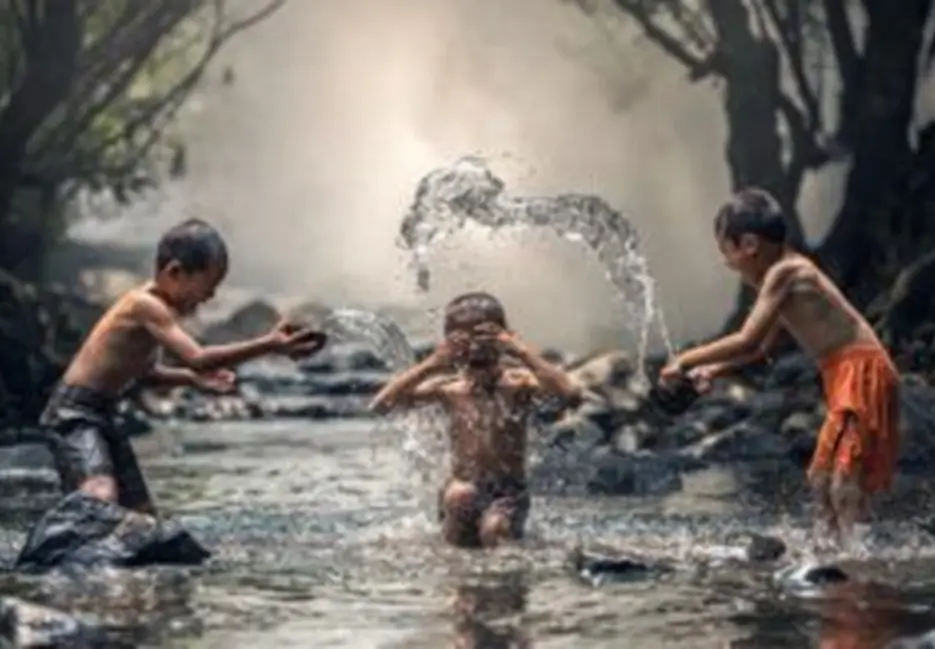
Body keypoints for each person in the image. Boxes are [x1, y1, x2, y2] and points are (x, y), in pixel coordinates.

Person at [659, 188, 900, 543]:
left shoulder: (786, 272)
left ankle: (853, 555)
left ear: (750, 245)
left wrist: (683, 359)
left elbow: (747, 338)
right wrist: (714, 370)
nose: (728, 263)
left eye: (726, 251)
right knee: (820, 477)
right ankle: (829, 545)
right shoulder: (782, 279)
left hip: (860, 371)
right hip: (842, 374)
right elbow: (763, 348)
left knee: (845, 475)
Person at [41, 218, 325, 515]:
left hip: (104, 412)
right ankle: (63, 553)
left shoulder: (157, 312)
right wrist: (268, 344)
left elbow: (147, 375)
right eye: (208, 286)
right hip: (74, 413)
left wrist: (191, 380)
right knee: (100, 492)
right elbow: (198, 357)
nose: (210, 296)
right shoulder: (145, 305)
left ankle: (107, 551)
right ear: (174, 272)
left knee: (142, 514)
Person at [369, 292, 581, 548]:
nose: (475, 348)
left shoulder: (518, 383)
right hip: (463, 487)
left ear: (503, 338)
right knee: (459, 501)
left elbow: (569, 394)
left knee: (496, 530)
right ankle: (459, 583)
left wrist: (523, 352)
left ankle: (506, 583)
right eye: (462, 340)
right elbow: (381, 406)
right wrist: (431, 364)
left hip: (507, 491)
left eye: (484, 336)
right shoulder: (449, 388)